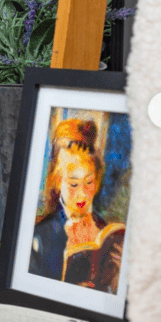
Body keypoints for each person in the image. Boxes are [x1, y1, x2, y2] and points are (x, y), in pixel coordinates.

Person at [29, 118, 124, 291]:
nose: (82, 193)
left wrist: (119, 275)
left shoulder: (105, 232)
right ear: (58, 182)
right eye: (74, 184)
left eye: (89, 182)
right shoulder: (40, 238)